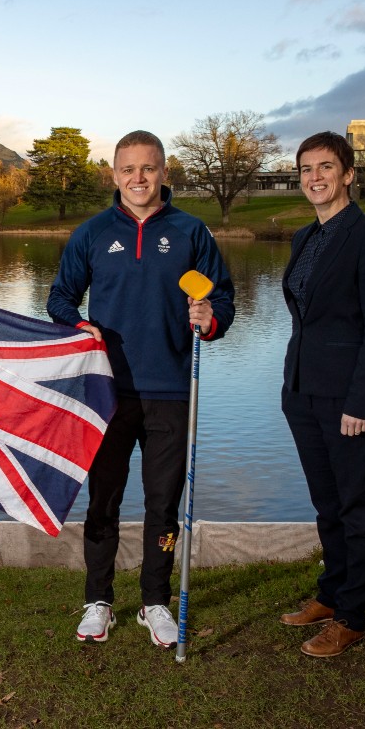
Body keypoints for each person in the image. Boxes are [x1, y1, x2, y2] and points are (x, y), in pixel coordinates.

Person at [47, 131, 235, 648]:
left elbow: (224, 301)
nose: (138, 178)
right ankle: (98, 601)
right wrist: (77, 324)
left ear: (164, 173)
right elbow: (60, 297)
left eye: (148, 168)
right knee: (103, 500)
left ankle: (155, 601)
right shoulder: (91, 233)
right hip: (107, 391)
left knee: (163, 503)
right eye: (128, 169)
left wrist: (210, 317)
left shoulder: (193, 232)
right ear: (113, 175)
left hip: (171, 391)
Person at [278, 131, 365, 657]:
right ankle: (331, 593)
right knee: (327, 503)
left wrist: (360, 401)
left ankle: (352, 614)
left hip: (350, 399)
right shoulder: (305, 238)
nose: (315, 177)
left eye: (326, 167)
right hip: (303, 391)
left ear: (348, 174)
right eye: (306, 169)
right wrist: (294, 386)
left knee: (358, 505)